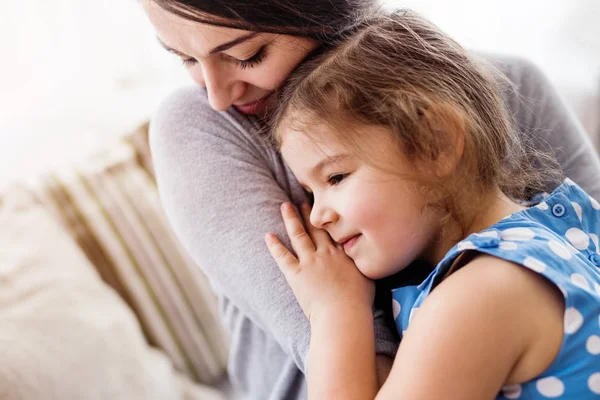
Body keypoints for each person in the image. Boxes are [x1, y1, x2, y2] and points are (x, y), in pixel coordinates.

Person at [141, 1, 600, 398]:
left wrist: (336, 309)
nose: (216, 96)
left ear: (434, 142)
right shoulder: (556, 228)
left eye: (248, 55)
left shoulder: (478, 297)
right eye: (183, 58)